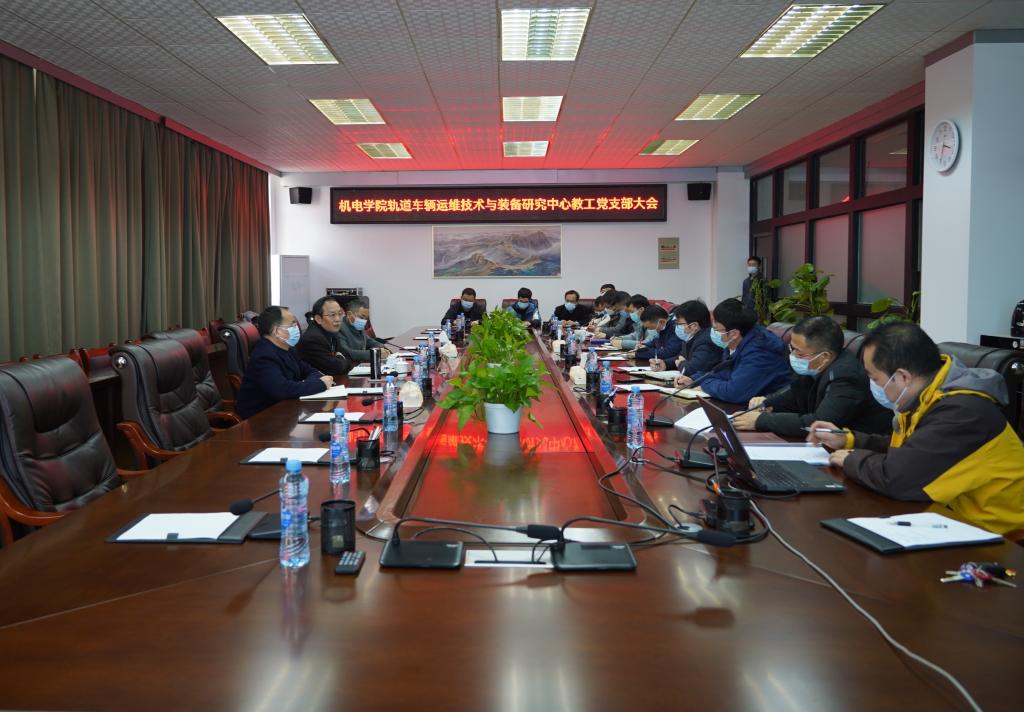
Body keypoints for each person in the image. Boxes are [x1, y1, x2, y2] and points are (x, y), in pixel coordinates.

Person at [807, 323, 1024, 534]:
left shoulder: (963, 412)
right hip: (953, 519)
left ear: (902, 377)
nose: (874, 386)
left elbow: (896, 478)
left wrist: (851, 459)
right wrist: (849, 440)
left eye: (875, 379)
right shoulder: (929, 397)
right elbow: (912, 450)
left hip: (1003, 537)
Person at [732, 316, 891, 437]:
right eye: (792, 349)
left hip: (858, 449)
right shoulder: (813, 366)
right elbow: (794, 395)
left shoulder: (847, 376)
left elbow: (819, 423)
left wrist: (761, 421)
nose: (793, 356)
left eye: (799, 353)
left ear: (825, 356)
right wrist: (767, 404)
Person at [674, 298, 791, 403]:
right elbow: (723, 373)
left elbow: (734, 392)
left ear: (733, 333)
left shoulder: (760, 352)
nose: (712, 332)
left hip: (768, 409)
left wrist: (704, 384)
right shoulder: (737, 342)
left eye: (716, 329)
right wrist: (694, 379)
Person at [236, 306, 333, 419]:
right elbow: (282, 390)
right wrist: (320, 384)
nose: (297, 328)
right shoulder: (264, 356)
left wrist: (311, 382)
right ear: (277, 331)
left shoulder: (288, 348)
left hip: (284, 411)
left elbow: (310, 371)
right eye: (292, 325)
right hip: (261, 418)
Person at [649, 300, 721, 375]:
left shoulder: (706, 341)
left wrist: (681, 363)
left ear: (694, 326)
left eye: (679, 324)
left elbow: (692, 370)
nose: (676, 326)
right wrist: (665, 364)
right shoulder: (690, 337)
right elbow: (681, 357)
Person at [296, 296, 354, 377]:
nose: (338, 319)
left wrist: (339, 359)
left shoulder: (332, 332)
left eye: (340, 314)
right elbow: (336, 368)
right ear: (318, 319)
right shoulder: (313, 339)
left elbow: (349, 358)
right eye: (332, 315)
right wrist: (340, 358)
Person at [337, 297, 386, 362]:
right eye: (361, 317)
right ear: (349, 314)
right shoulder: (339, 328)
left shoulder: (357, 326)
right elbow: (347, 353)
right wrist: (376, 353)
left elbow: (370, 341)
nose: (364, 321)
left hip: (362, 363)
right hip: (350, 365)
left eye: (366, 318)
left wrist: (383, 348)